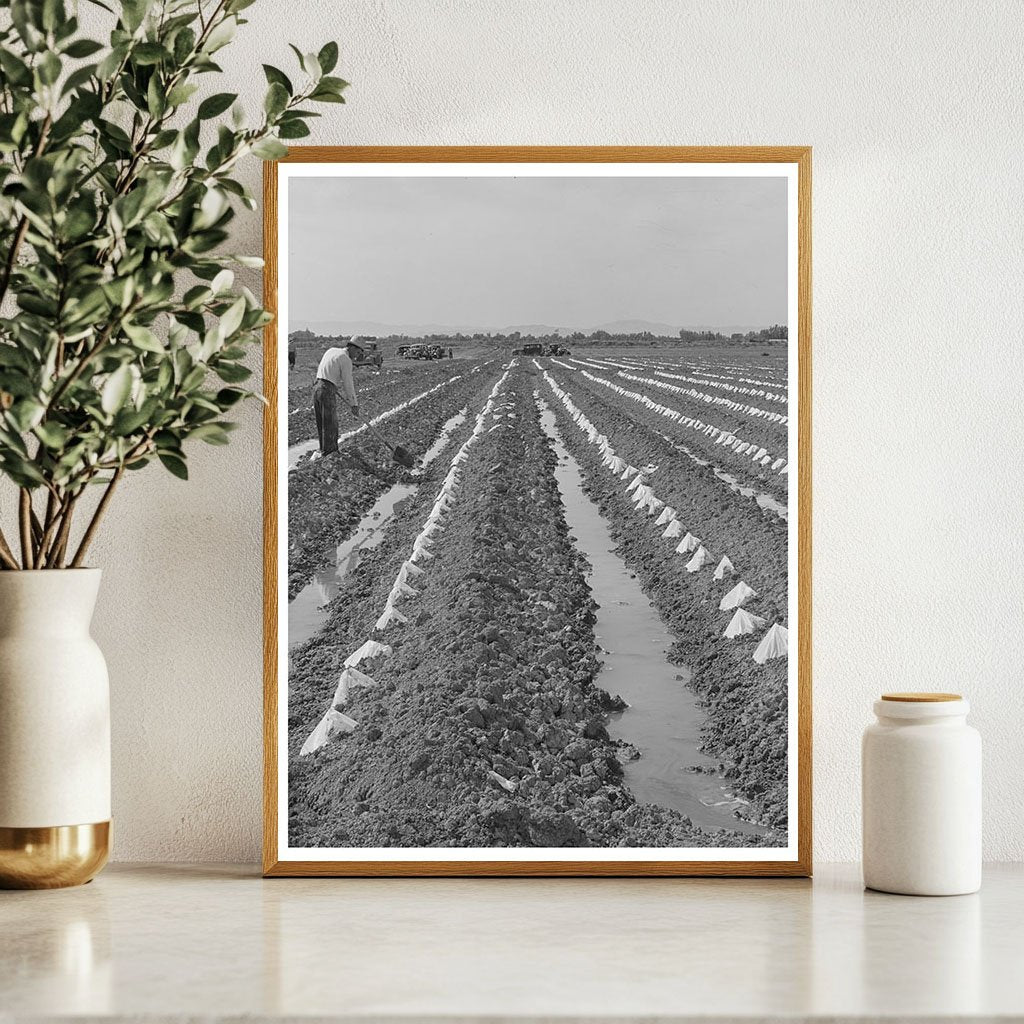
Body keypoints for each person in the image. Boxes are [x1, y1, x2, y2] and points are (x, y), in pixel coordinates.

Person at [312, 337, 362, 457]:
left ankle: (323, 450)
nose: (357, 355)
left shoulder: (331, 350)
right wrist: (354, 404)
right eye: (358, 352)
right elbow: (348, 384)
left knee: (322, 422)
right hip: (327, 389)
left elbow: (325, 369)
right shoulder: (346, 359)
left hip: (316, 387)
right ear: (352, 347)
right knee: (330, 423)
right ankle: (331, 454)